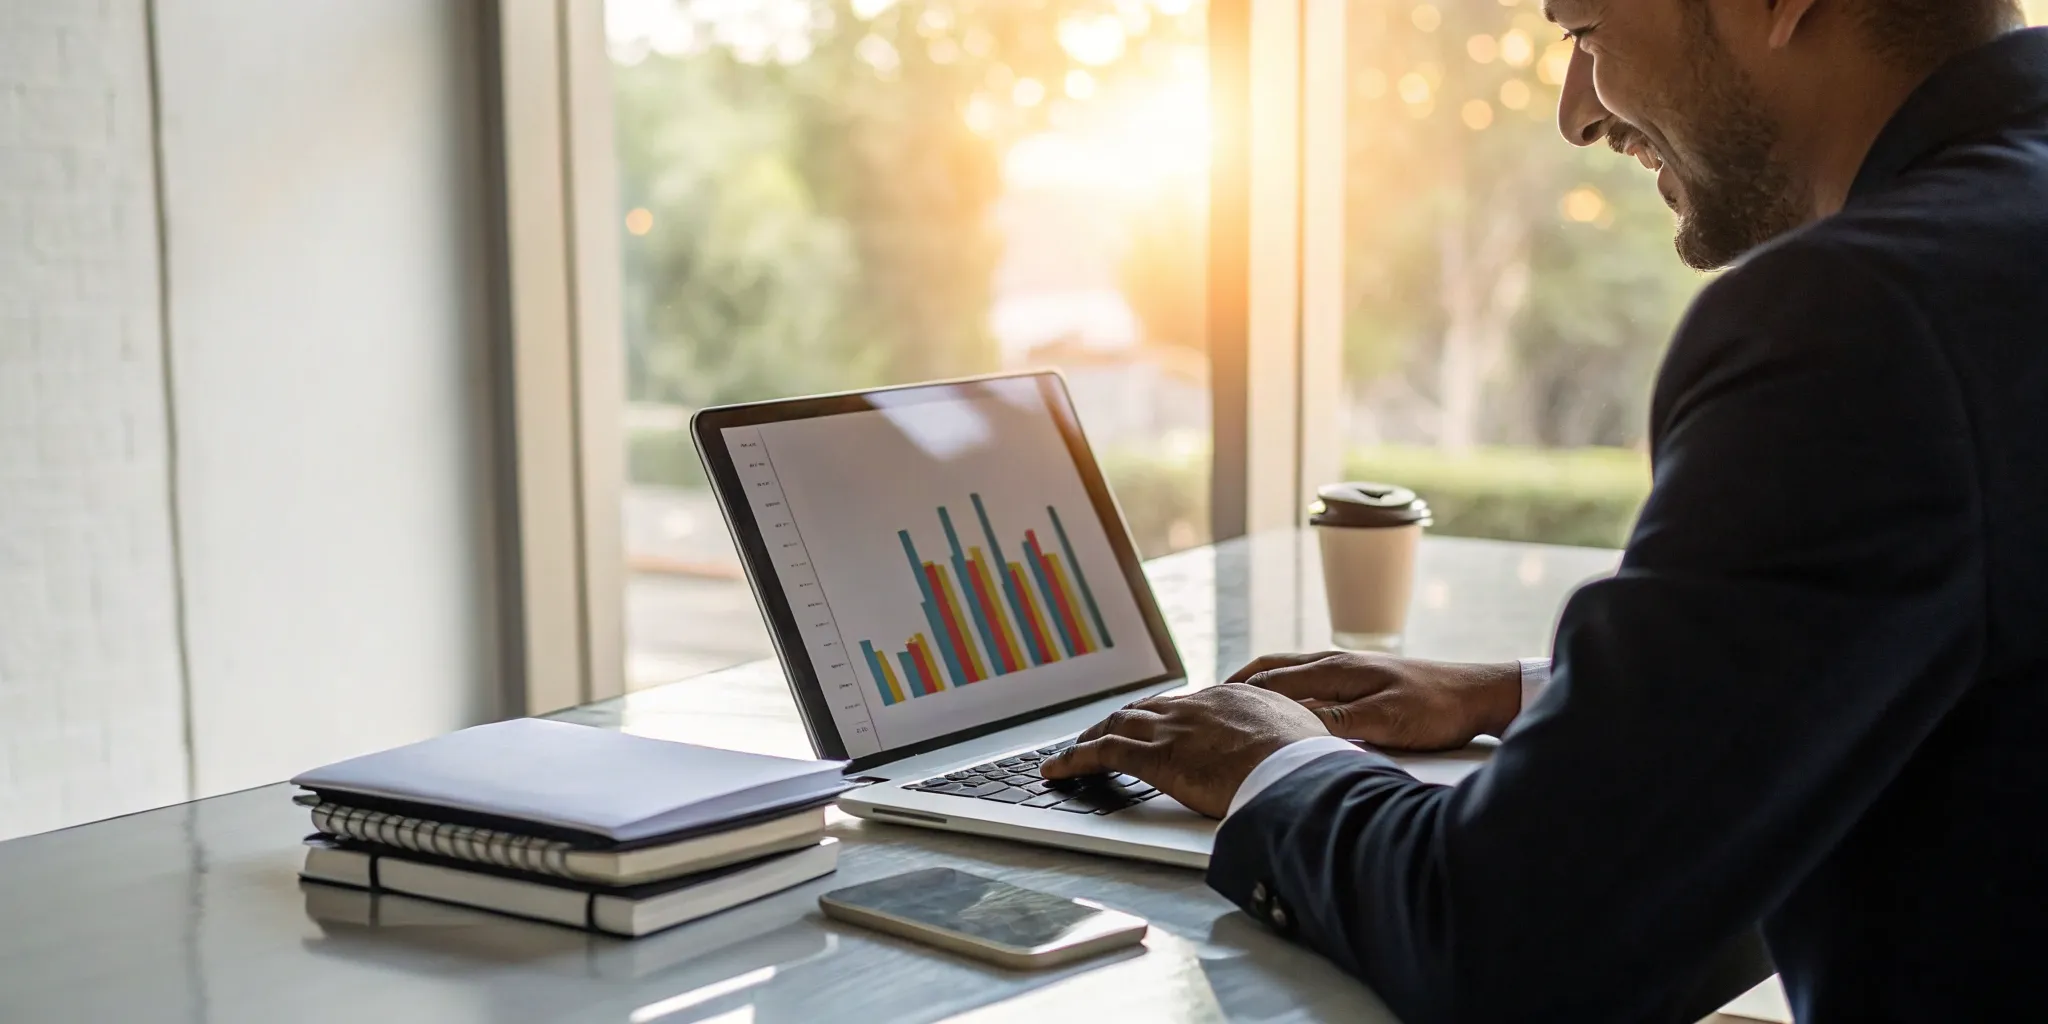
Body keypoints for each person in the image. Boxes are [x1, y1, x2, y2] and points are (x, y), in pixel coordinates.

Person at [1040, 1, 2048, 1020]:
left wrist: (1271, 758)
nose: (1575, 113)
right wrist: (1531, 693)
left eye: (1584, 29)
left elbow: (1507, 937)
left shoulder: (1860, 317)